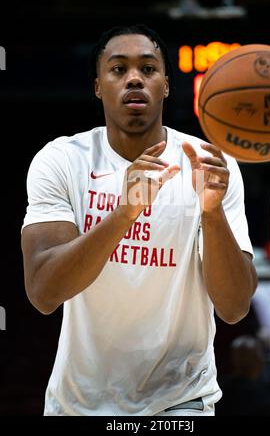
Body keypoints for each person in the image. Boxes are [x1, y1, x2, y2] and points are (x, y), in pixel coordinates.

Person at [21, 24, 257, 416]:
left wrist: (212, 214)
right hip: (80, 402)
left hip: (181, 400)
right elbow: (44, 293)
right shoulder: (62, 160)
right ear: (98, 86)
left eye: (148, 69)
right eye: (118, 69)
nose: (134, 78)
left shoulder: (211, 165)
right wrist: (125, 212)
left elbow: (233, 308)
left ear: (166, 85)